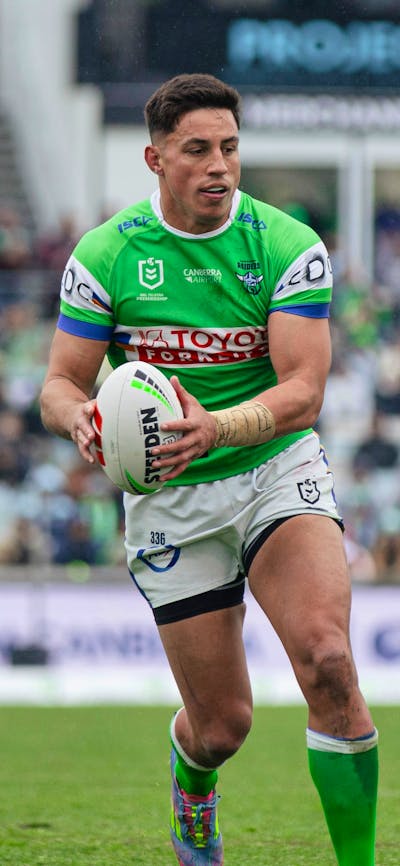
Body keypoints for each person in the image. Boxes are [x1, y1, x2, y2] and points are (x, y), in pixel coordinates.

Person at [40, 73, 378, 866]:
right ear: (155, 159)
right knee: (224, 726)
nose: (219, 165)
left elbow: (303, 392)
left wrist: (218, 426)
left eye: (229, 147)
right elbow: (59, 382)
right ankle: (193, 788)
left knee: (329, 660)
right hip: (170, 496)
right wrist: (82, 422)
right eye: (197, 150)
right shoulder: (107, 255)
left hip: (270, 466)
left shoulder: (288, 245)